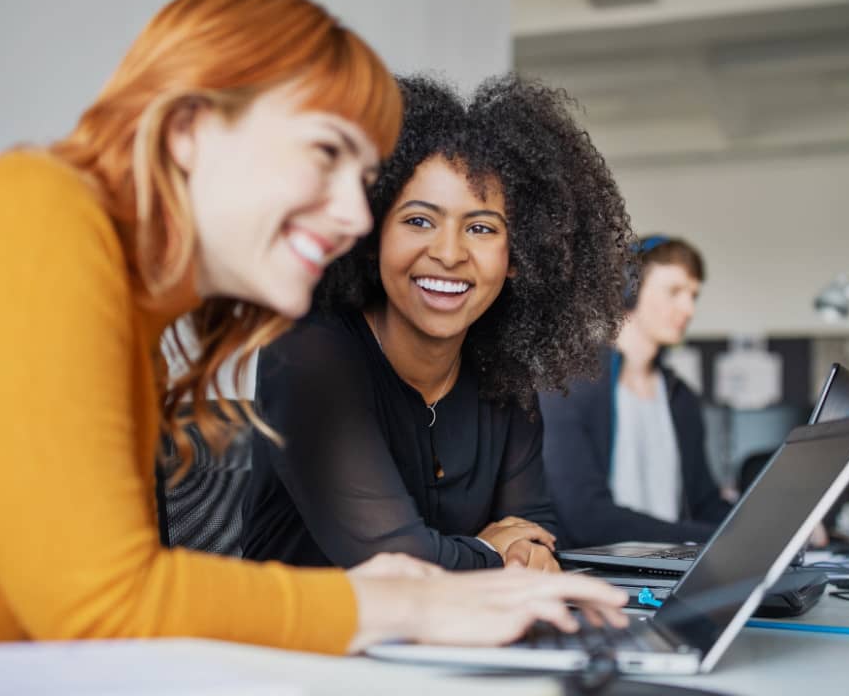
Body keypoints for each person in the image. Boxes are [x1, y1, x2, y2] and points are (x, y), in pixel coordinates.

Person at [0, 0, 626, 668]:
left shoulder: (125, 309)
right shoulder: (34, 215)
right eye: (324, 152)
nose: (351, 215)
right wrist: (408, 599)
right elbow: (104, 600)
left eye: (363, 177)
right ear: (192, 127)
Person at [240, 75, 635, 572]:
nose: (448, 253)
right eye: (419, 221)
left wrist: (508, 556)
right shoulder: (306, 356)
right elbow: (396, 563)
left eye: (480, 228)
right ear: (371, 234)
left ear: (518, 256)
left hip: (448, 643)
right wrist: (493, 551)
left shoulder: (504, 380)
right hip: (302, 646)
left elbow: (535, 545)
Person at [540, 236, 733, 549]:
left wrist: (771, 532)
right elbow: (587, 519)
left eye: (693, 295)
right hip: (599, 578)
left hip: (674, 573)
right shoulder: (569, 387)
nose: (688, 308)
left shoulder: (680, 396)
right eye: (674, 292)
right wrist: (715, 539)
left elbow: (705, 504)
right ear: (629, 290)